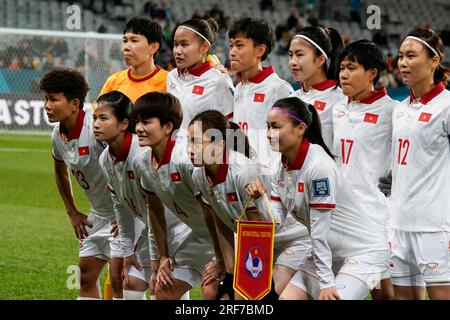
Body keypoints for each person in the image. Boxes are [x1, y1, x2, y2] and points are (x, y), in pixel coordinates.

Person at [246, 97, 393, 300]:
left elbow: (319, 231)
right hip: (328, 253)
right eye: (267, 127)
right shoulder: (280, 168)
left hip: (364, 252)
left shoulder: (318, 167)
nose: (269, 134)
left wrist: (326, 283)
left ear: (300, 129)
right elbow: (275, 223)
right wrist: (260, 200)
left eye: (276, 127)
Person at [188, 110, 311, 299]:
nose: (189, 149)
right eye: (188, 141)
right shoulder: (199, 176)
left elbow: (258, 227)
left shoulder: (243, 173)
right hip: (256, 239)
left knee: (254, 297)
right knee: (212, 292)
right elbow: (220, 221)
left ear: (220, 145)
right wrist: (228, 270)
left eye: (196, 142)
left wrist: (247, 281)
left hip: (290, 240)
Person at [94, 91, 193, 300]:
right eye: (94, 118)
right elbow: (120, 206)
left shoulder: (141, 155)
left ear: (123, 124)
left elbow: (155, 211)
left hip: (180, 231)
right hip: (154, 231)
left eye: (103, 118)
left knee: (166, 287)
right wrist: (128, 250)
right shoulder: (105, 159)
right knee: (131, 283)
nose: (95, 124)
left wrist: (157, 255)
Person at [40, 68, 123, 300]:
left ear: (74, 104)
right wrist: (72, 212)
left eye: (54, 99)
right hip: (99, 214)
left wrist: (125, 212)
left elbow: (124, 169)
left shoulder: (97, 129)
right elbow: (60, 171)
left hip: (124, 214)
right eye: (46, 98)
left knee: (121, 280)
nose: (47, 105)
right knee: (85, 276)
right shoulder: (57, 134)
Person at [133, 91, 221, 299]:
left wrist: (221, 258)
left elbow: (214, 211)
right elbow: (154, 212)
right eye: (137, 122)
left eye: (146, 122)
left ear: (168, 127)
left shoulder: (185, 160)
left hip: (226, 235)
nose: (139, 129)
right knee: (163, 290)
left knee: (212, 293)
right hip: (200, 236)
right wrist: (161, 256)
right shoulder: (142, 163)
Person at [333, 40, 398, 299]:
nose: (343, 73)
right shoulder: (338, 109)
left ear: (372, 73)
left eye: (351, 67)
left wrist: (397, 178)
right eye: (341, 67)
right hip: (341, 215)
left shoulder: (392, 111)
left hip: (374, 217)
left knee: (384, 294)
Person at [390, 27, 450, 300]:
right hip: (398, 224)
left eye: (411, 56)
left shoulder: (447, 106)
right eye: (401, 56)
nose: (402, 63)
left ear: (434, 60)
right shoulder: (400, 108)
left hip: (435, 228)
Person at [229, 18, 294, 173]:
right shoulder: (238, 88)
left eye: (239, 45)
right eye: (231, 45)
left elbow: (290, 141)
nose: (232, 52)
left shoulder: (279, 89)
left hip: (268, 179)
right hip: (239, 175)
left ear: (260, 50)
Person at [167, 17, 234, 132]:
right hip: (172, 149)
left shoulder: (219, 81)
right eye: (175, 44)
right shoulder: (171, 76)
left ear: (204, 47)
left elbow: (232, 128)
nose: (177, 51)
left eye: (184, 45)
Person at [288, 26, 345, 150]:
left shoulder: (340, 101)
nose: (292, 62)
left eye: (299, 54)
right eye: (290, 55)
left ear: (320, 60)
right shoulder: (291, 98)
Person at [99, 17, 168, 103]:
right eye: (125, 41)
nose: (126, 47)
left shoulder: (169, 83)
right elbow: (97, 113)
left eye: (134, 40)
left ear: (153, 47)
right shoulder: (113, 81)